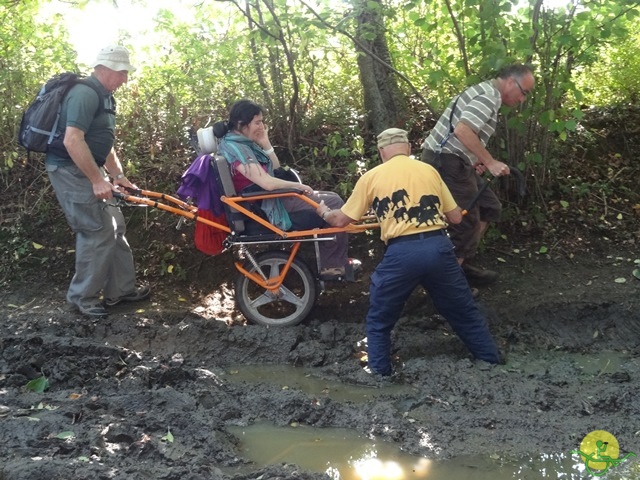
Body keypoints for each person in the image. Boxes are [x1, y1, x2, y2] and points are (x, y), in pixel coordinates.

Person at [317, 128, 501, 376]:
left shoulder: (371, 177)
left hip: (401, 253)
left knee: (380, 319)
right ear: (409, 149)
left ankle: (380, 374)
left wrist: (324, 212)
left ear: (382, 152)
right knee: (463, 311)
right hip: (438, 249)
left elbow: (341, 221)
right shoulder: (429, 170)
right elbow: (456, 218)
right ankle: (491, 362)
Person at [45, 45, 149, 318]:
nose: (125, 78)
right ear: (103, 69)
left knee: (116, 226)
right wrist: (96, 180)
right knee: (96, 229)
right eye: (122, 72)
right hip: (71, 171)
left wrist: (118, 176)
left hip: (91, 170)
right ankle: (83, 298)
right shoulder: (84, 94)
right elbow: (72, 140)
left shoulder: (105, 96)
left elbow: (104, 143)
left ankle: (121, 291)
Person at [214, 99, 358, 280]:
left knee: (332, 198)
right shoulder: (236, 149)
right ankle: (333, 267)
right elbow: (267, 183)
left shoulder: (240, 144)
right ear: (242, 124)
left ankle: (333, 262)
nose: (261, 126)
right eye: (257, 122)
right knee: (334, 202)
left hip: (268, 200)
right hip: (264, 207)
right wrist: (297, 186)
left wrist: (265, 144)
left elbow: (275, 170)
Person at [420, 64, 535, 287]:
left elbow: (461, 133)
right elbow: (462, 130)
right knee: (464, 222)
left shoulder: (486, 93)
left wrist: (475, 159)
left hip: (453, 160)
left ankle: (459, 265)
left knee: (490, 207)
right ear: (511, 81)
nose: (522, 99)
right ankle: (447, 285)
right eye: (524, 92)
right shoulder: (488, 97)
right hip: (445, 162)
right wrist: (490, 161)